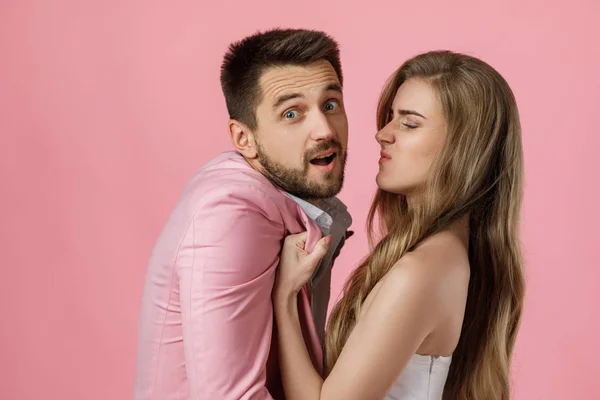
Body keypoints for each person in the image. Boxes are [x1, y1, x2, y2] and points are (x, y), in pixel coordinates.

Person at [273, 50, 525, 400]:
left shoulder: (419, 272)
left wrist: (284, 297)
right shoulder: (447, 257)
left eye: (409, 123)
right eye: (390, 118)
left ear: (463, 148)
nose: (382, 134)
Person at [133, 28, 353, 400]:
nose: (324, 130)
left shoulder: (286, 201)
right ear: (243, 139)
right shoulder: (229, 217)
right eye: (292, 113)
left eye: (330, 104)